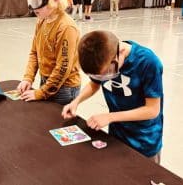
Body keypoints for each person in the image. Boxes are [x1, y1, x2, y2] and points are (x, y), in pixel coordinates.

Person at [62, 30, 163, 164]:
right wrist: (76, 101)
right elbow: (94, 84)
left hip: (144, 140)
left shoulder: (148, 62)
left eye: (107, 73)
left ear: (120, 51)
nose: (104, 78)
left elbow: (152, 110)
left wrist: (110, 117)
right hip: (116, 136)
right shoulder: (103, 58)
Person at [18, 0, 81, 105]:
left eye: (37, 2)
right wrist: (28, 78)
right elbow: (34, 52)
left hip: (65, 87)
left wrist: (42, 92)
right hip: (47, 80)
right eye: (31, 2)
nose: (33, 8)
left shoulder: (66, 27)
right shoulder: (42, 20)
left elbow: (63, 68)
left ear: (55, 0)